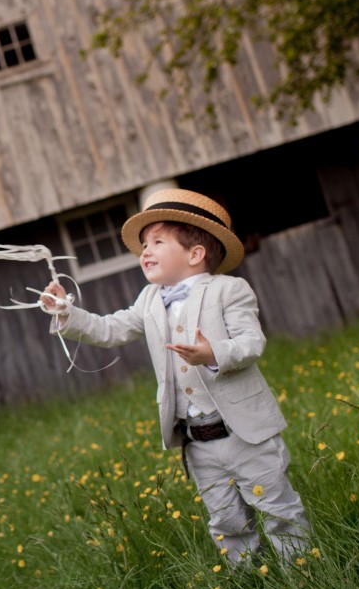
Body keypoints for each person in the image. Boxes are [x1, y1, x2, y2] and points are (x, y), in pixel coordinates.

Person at [41, 188, 309, 566]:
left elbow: (251, 342)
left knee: (279, 510)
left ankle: (303, 573)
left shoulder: (229, 290)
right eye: (143, 245)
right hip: (197, 441)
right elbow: (110, 329)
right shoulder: (149, 299)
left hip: (245, 433)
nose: (144, 251)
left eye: (157, 242)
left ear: (195, 254)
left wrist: (212, 353)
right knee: (227, 521)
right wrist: (66, 312)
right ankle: (251, 582)